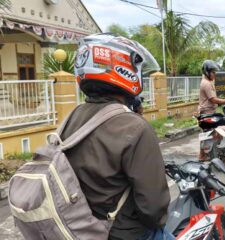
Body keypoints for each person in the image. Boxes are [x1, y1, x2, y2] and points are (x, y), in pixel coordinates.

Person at [67, 33, 173, 239]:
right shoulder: (135, 127)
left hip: (82, 226)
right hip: (123, 232)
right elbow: (153, 208)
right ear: (123, 68)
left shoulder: (72, 117)